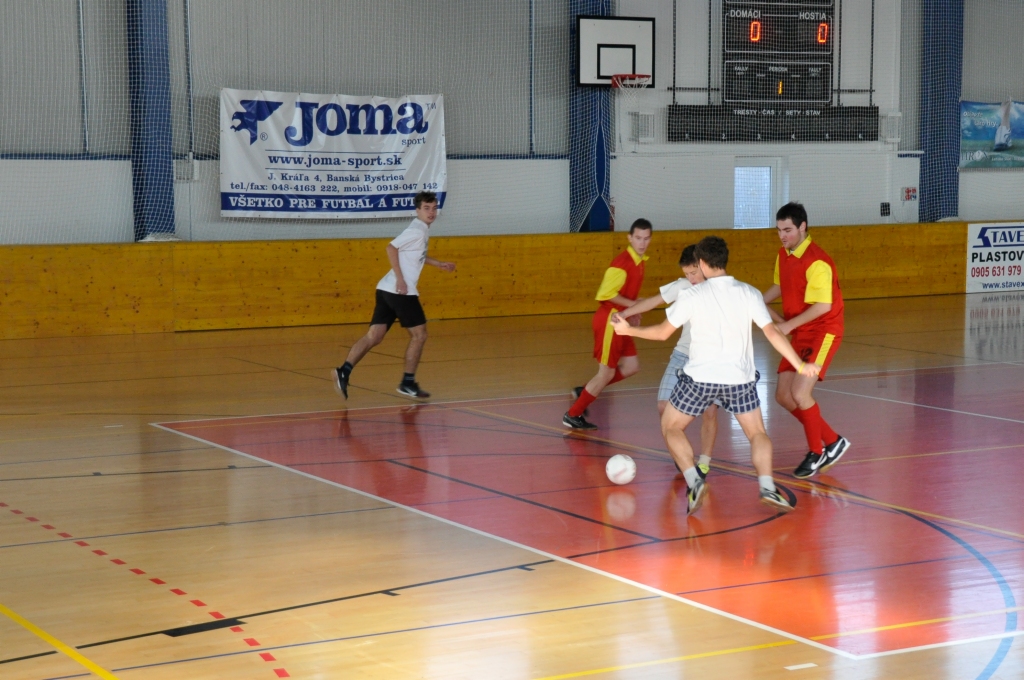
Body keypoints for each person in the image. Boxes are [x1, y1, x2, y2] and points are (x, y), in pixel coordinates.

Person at [611, 236, 820, 515]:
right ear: (724, 260)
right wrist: (800, 365)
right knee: (757, 433)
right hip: (740, 380)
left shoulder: (692, 295)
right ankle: (767, 486)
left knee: (671, 426)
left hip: (700, 380)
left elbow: (661, 333)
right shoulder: (749, 293)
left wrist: (628, 331)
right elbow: (772, 332)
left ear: (701, 263)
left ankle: (694, 481)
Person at [333, 191, 455, 400]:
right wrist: (400, 279)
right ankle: (407, 382)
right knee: (420, 335)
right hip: (401, 291)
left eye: (434, 208)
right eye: (426, 208)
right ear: (417, 210)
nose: (431, 212)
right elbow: (391, 248)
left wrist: (438, 264)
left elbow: (416, 254)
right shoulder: (417, 230)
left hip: (385, 289)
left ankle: (344, 371)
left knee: (374, 336)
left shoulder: (420, 229)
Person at [762, 202, 850, 479]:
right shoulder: (783, 254)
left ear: (803, 227)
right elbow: (781, 285)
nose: (782, 236)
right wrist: (757, 300)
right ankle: (832, 441)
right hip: (801, 330)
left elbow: (823, 305)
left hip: (823, 330)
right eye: (779, 230)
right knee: (783, 396)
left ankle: (816, 451)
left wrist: (788, 325)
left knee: (800, 394)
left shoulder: (817, 261)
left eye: (787, 230)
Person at [618, 245, 718, 479]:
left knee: (710, 411)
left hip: (710, 360)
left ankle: (704, 463)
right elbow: (654, 301)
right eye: (686, 274)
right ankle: (680, 453)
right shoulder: (683, 287)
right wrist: (624, 314)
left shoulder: (720, 290)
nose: (691, 278)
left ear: (704, 266)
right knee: (664, 406)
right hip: (682, 355)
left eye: (693, 272)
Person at [564, 219, 653, 430]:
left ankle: (585, 390)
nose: (642, 243)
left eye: (646, 238)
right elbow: (606, 294)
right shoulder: (622, 263)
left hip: (621, 319)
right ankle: (573, 414)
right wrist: (634, 306)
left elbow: (624, 293)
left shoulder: (640, 261)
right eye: (638, 238)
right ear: (630, 238)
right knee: (606, 373)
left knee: (631, 367)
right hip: (609, 321)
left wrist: (633, 310)